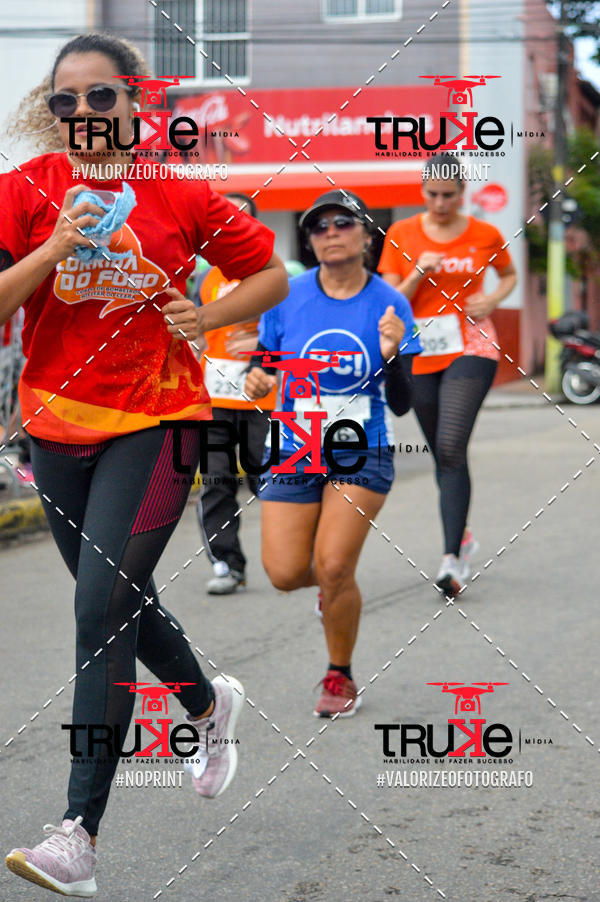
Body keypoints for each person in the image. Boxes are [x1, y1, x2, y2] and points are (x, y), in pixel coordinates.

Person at [1, 33, 287, 897]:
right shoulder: (23, 193)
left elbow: (269, 275)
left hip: (162, 417)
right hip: (55, 425)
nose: (83, 114)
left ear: (134, 103)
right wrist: (50, 252)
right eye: (66, 102)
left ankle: (76, 836)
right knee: (122, 603)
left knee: (98, 610)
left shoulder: (179, 192)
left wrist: (213, 317)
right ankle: (206, 702)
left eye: (100, 98)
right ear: (50, 115)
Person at [245, 189, 422, 718]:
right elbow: (264, 365)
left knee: (335, 562)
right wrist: (258, 378)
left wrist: (391, 357)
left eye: (342, 223)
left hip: (360, 447)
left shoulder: (391, 303)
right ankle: (334, 591)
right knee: (282, 573)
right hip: (295, 446)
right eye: (317, 227)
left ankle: (339, 674)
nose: (329, 234)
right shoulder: (285, 296)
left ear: (367, 235)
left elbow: (404, 403)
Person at [378, 153, 517, 596]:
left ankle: (452, 558)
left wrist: (492, 299)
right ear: (423, 192)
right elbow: (390, 297)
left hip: (471, 343)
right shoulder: (401, 234)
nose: (440, 203)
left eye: (449, 196)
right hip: (419, 348)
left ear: (463, 194)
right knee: (442, 453)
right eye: (433, 195)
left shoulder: (484, 233)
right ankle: (463, 532)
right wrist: (418, 273)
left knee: (452, 445)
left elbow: (509, 274)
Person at [195, 193, 278, 594]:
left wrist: (264, 349)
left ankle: (292, 555)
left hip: (264, 396)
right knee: (216, 480)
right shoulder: (206, 278)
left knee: (271, 479)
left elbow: (293, 334)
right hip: (214, 397)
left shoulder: (273, 275)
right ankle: (227, 564)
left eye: (240, 220)